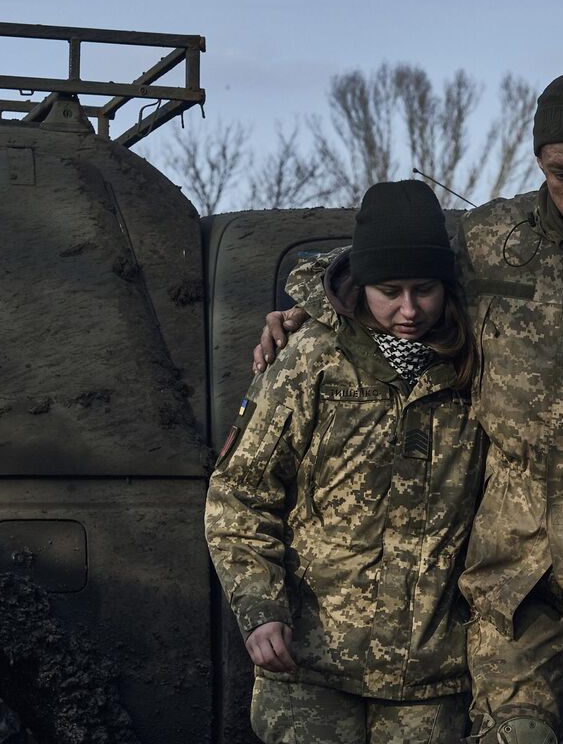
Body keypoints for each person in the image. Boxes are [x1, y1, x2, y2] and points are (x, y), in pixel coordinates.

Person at [257, 69, 563, 743]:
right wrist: (307, 316)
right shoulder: (489, 241)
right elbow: (377, 270)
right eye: (560, 173)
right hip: (514, 571)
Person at [207, 179, 485, 744]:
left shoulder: (481, 359)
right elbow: (240, 494)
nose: (409, 310)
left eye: (425, 289)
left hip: (431, 674)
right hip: (312, 669)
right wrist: (259, 606)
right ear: (361, 285)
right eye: (390, 290)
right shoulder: (311, 361)